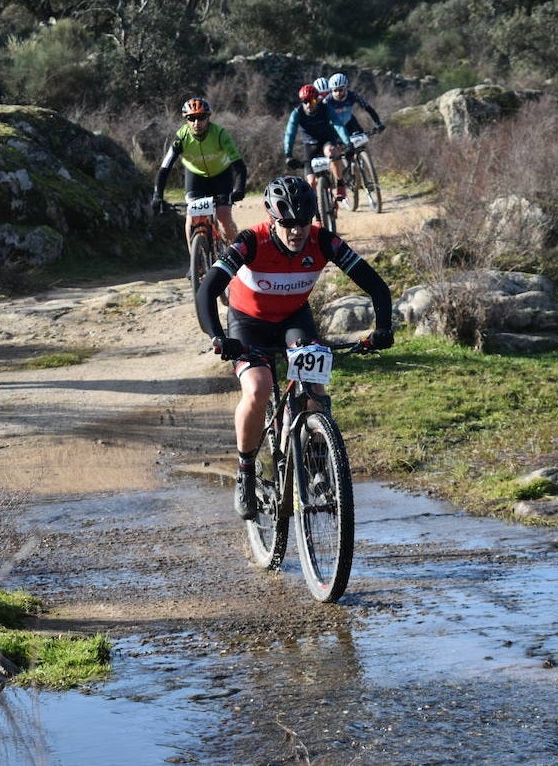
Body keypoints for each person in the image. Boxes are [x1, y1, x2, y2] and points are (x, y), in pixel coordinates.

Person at [195, 175, 393, 520]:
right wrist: (217, 336)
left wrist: (384, 328)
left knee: (315, 387)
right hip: (248, 323)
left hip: (293, 319)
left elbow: (376, 285)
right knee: (258, 389)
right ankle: (245, 473)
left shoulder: (324, 241)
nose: (296, 231)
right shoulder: (249, 242)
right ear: (273, 219)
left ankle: (316, 463)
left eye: (303, 222)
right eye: (287, 223)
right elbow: (207, 290)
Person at [151, 97, 248, 242]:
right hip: (196, 178)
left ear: (208, 118)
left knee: (223, 216)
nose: (197, 123)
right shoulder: (181, 138)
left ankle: (237, 254)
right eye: (192, 118)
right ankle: (195, 263)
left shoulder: (220, 134)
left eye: (201, 117)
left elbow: (239, 165)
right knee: (192, 219)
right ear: (186, 120)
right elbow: (165, 168)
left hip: (221, 176)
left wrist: (239, 189)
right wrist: (157, 195)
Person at [282, 84, 351, 206]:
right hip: (310, 146)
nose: (309, 104)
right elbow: (290, 133)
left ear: (317, 99)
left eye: (312, 100)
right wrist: (288, 154)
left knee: (332, 152)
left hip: (326, 141)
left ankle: (340, 184)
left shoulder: (325, 108)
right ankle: (318, 216)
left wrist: (347, 142)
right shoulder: (297, 113)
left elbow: (338, 124)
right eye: (305, 101)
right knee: (311, 183)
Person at [324, 72, 385, 136]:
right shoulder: (327, 100)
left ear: (345, 88)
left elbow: (368, 108)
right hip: (334, 126)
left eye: (341, 90)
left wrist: (378, 123)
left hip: (349, 123)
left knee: (360, 140)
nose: (338, 93)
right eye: (335, 90)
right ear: (331, 90)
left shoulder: (352, 95)